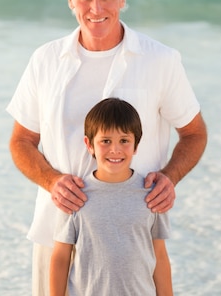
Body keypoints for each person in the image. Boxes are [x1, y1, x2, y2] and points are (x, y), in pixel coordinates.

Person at [7, 0, 207, 295]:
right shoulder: (45, 60)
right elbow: (21, 141)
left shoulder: (160, 60)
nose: (95, 8)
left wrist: (170, 178)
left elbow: (194, 133)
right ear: (70, 1)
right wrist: (52, 181)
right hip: (57, 232)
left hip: (131, 240)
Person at [50, 97, 173, 296]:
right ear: (89, 145)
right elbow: (61, 257)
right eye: (105, 141)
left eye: (124, 141)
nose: (115, 149)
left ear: (136, 145)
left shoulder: (151, 195)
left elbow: (159, 255)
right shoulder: (76, 196)